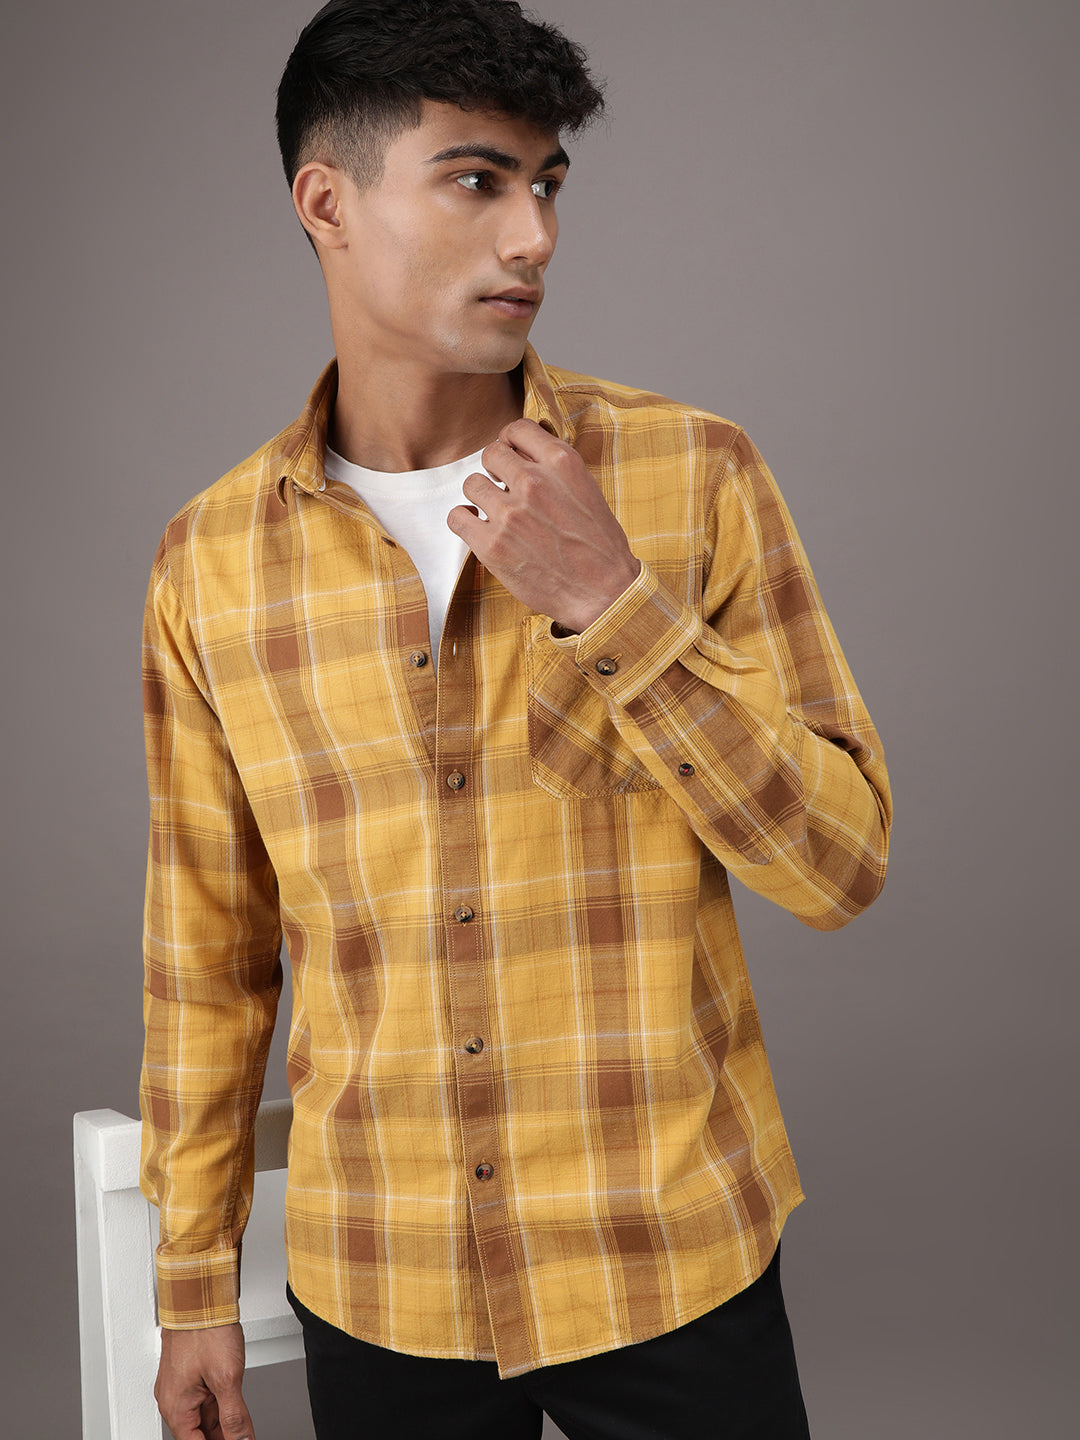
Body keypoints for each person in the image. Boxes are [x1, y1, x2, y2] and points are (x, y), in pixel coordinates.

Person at [139, 2, 891, 1436]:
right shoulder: (210, 562)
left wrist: (615, 606)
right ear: (326, 203)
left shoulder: (694, 475)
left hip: (668, 1253)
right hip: (386, 1278)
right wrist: (193, 1285)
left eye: (547, 185)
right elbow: (207, 960)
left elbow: (841, 866)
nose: (534, 235)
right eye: (477, 181)